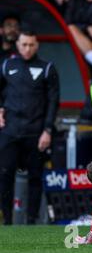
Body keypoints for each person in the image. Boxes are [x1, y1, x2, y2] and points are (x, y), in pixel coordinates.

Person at [0, 30, 60, 225]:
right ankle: (7, 221)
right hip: (9, 132)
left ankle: (32, 221)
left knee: (35, 177)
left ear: (37, 45)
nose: (27, 48)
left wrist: (48, 130)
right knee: (5, 175)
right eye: (24, 44)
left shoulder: (47, 68)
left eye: (31, 45)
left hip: (36, 133)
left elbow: (53, 102)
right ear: (17, 45)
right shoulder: (7, 65)